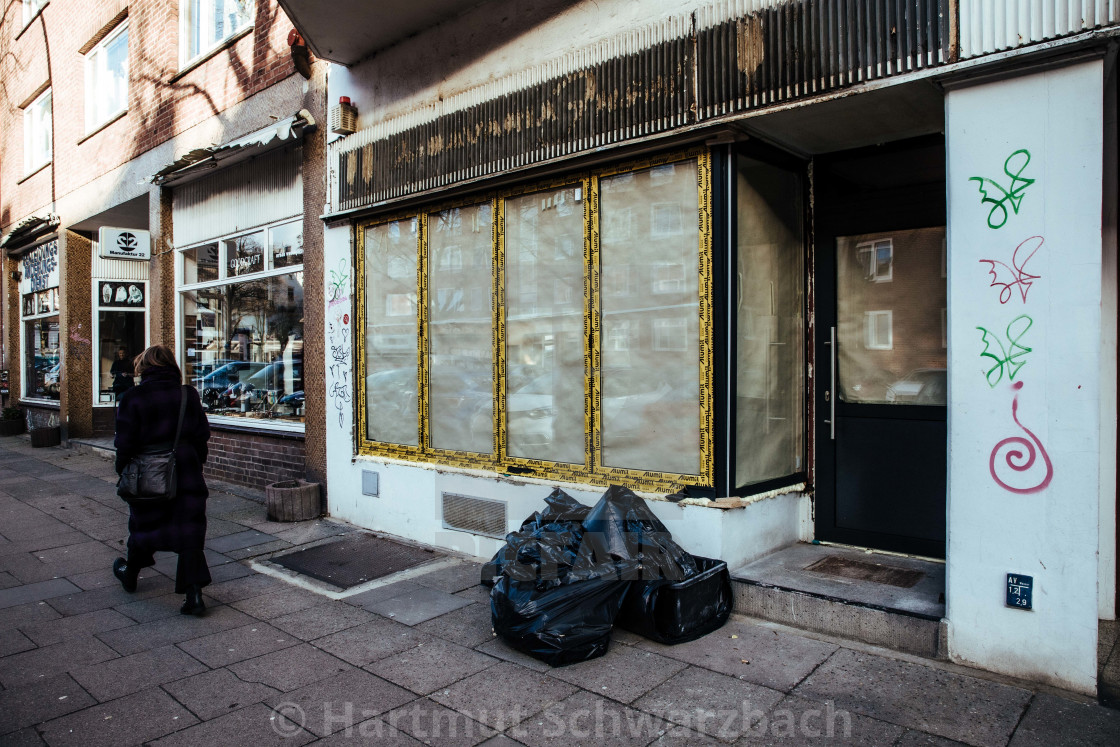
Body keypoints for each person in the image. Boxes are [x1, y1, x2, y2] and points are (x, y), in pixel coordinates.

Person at [112, 345, 212, 616]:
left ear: (143, 368)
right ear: (172, 366)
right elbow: (202, 434)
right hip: (186, 470)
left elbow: (124, 443)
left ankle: (130, 574)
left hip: (149, 472)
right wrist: (194, 461)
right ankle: (194, 595)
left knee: (144, 526)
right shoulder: (186, 394)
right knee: (190, 532)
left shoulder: (132, 398)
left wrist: (122, 470)